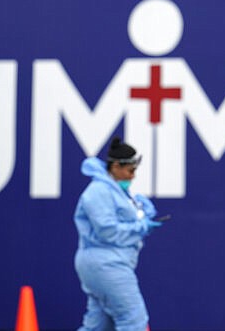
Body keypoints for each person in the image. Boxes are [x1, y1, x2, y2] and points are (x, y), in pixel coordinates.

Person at [74, 137, 162, 331]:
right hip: (108, 266)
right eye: (130, 170)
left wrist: (143, 215)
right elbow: (108, 231)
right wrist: (142, 227)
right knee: (134, 321)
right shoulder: (98, 192)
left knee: (99, 326)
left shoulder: (115, 191)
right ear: (115, 166)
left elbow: (121, 222)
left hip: (104, 264)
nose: (133, 176)